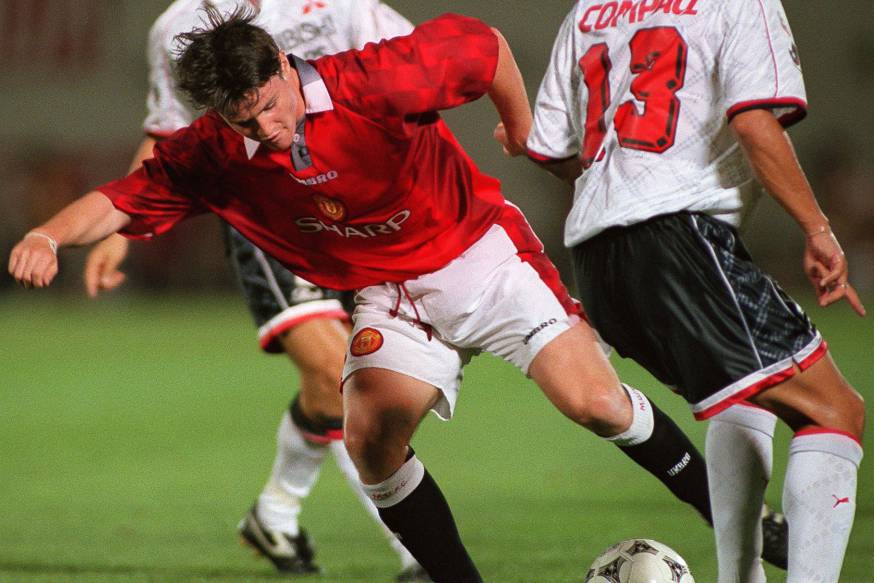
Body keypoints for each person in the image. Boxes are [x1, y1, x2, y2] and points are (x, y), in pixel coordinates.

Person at [7, 7, 767, 581]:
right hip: (388, 292)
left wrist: (521, 126)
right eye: (245, 120)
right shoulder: (214, 150)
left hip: (479, 255)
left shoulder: (370, 78)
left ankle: (742, 520)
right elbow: (124, 196)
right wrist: (48, 233)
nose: (267, 129)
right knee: (370, 434)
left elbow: (484, 47)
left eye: (270, 104)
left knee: (594, 403)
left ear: (280, 62)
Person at [81, 0, 427, 579]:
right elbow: (167, 135)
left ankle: (275, 511)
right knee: (338, 377)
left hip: (352, 203)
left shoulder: (344, 5)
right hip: (264, 214)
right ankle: (418, 554)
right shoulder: (174, 26)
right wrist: (121, 225)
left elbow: (412, 67)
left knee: (349, 388)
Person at [523, 1, 865, 581]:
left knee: (743, 396)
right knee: (836, 410)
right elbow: (754, 123)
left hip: (596, 256)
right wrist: (817, 228)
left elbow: (556, 152)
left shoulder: (590, 8)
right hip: (678, 235)